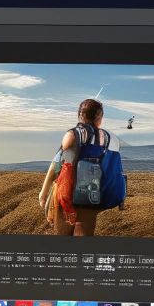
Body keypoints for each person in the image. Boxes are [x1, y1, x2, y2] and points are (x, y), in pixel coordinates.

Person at [38, 98, 119, 237]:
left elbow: (58, 163)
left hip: (67, 191)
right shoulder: (108, 138)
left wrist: (43, 191)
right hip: (91, 191)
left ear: (80, 115)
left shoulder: (73, 134)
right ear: (99, 116)